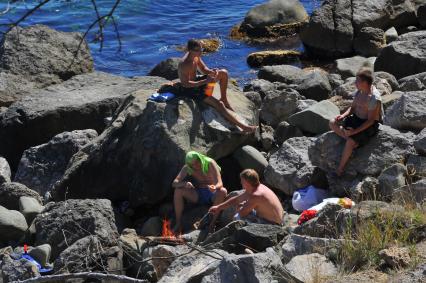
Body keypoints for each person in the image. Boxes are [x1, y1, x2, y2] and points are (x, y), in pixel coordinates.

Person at [178, 39, 257, 133]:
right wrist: (205, 81)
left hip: (199, 83)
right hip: (192, 91)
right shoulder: (185, 64)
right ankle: (244, 127)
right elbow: (185, 84)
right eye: (198, 50)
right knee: (219, 105)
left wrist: (211, 71)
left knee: (223, 73)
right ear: (190, 51)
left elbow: (204, 69)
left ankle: (224, 98)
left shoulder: (195, 56)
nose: (201, 52)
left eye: (201, 49)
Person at [329, 68, 383, 176]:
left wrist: (354, 132)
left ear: (364, 82)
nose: (355, 83)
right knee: (332, 122)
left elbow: (371, 121)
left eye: (357, 81)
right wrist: (343, 115)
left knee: (349, 142)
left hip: (368, 124)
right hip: (356, 118)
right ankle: (353, 141)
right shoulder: (360, 91)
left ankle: (340, 169)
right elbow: (352, 108)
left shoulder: (374, 98)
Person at [172, 151, 227, 232]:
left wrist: (215, 187)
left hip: (212, 193)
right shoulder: (187, 167)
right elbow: (174, 183)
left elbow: (220, 182)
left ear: (200, 158)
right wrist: (184, 184)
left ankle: (212, 224)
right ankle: (178, 223)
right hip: (198, 194)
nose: (196, 165)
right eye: (192, 164)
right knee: (178, 191)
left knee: (222, 191)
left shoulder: (210, 163)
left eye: (197, 162)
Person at [209, 169, 285, 225]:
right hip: (277, 218)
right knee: (240, 206)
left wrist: (241, 206)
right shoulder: (258, 187)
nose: (241, 182)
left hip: (273, 224)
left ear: (247, 183)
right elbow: (237, 199)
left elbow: (242, 214)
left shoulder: (256, 195)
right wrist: (218, 207)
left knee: (237, 218)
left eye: (242, 181)